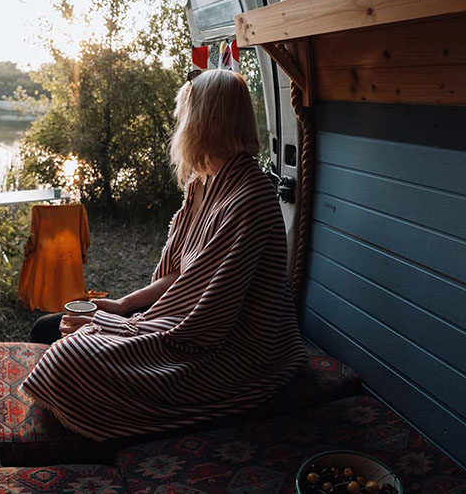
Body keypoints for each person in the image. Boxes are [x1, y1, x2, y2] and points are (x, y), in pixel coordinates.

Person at [21, 68, 306, 440]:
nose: (180, 126)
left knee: (70, 356)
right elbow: (182, 277)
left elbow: (208, 319)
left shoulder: (250, 197)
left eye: (186, 115)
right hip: (183, 320)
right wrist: (122, 306)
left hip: (233, 349)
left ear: (207, 120)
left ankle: (91, 431)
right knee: (51, 328)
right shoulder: (202, 184)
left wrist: (126, 327)